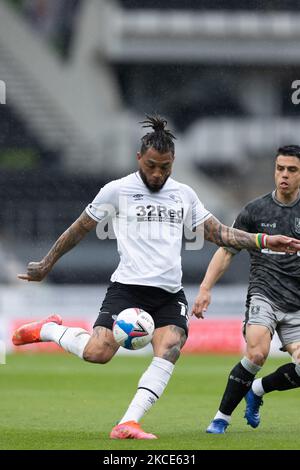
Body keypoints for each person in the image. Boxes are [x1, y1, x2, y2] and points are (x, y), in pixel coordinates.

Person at [13, 119, 300, 440]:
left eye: (164, 167)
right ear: (139, 159)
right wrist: (46, 264)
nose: (157, 173)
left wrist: (263, 240)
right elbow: (78, 229)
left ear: (172, 164)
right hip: (127, 289)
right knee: (98, 353)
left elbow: (220, 233)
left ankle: (128, 422)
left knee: (170, 347)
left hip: (169, 294)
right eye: (151, 165)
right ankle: (49, 328)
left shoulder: (184, 194)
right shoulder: (117, 190)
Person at [192, 145, 300, 434]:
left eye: (292, 169)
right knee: (257, 353)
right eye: (280, 169)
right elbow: (227, 250)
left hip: (297, 304)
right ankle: (221, 418)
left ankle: (258, 389)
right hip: (264, 294)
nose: (284, 175)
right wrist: (205, 289)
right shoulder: (256, 210)